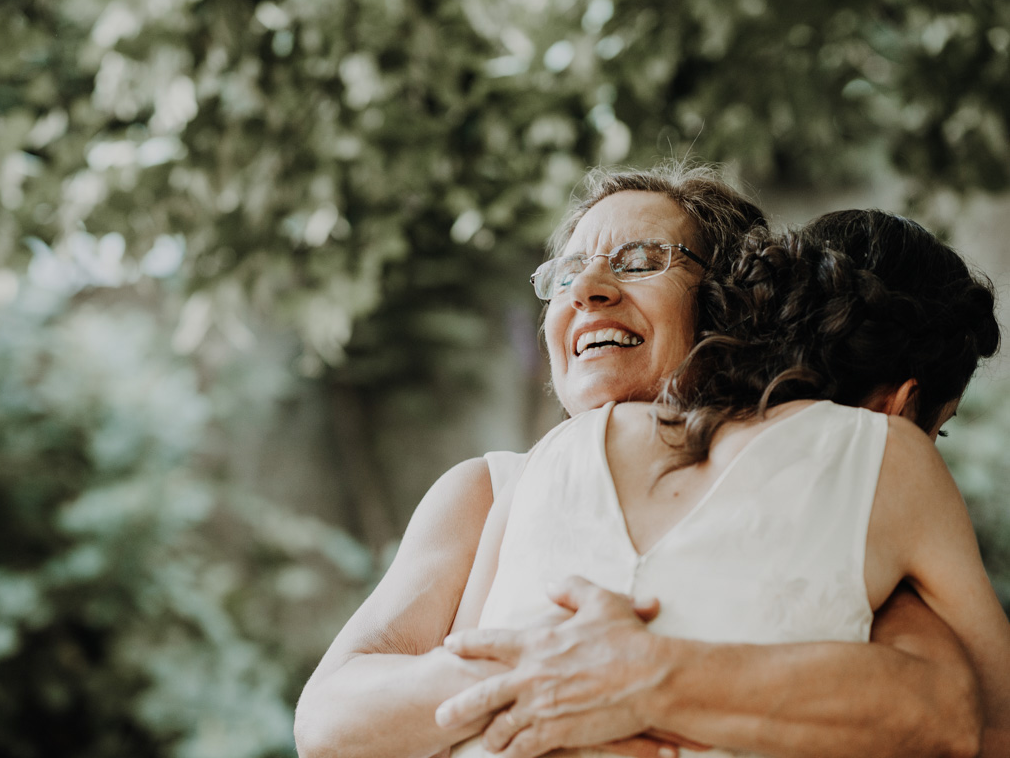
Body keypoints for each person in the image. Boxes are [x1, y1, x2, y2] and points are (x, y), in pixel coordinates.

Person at [293, 166, 999, 758]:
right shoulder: (493, 488)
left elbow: (951, 710)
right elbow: (329, 714)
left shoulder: (836, 482)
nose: (587, 290)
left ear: (725, 302)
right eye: (566, 272)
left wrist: (647, 676)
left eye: (639, 262)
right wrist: (547, 669)